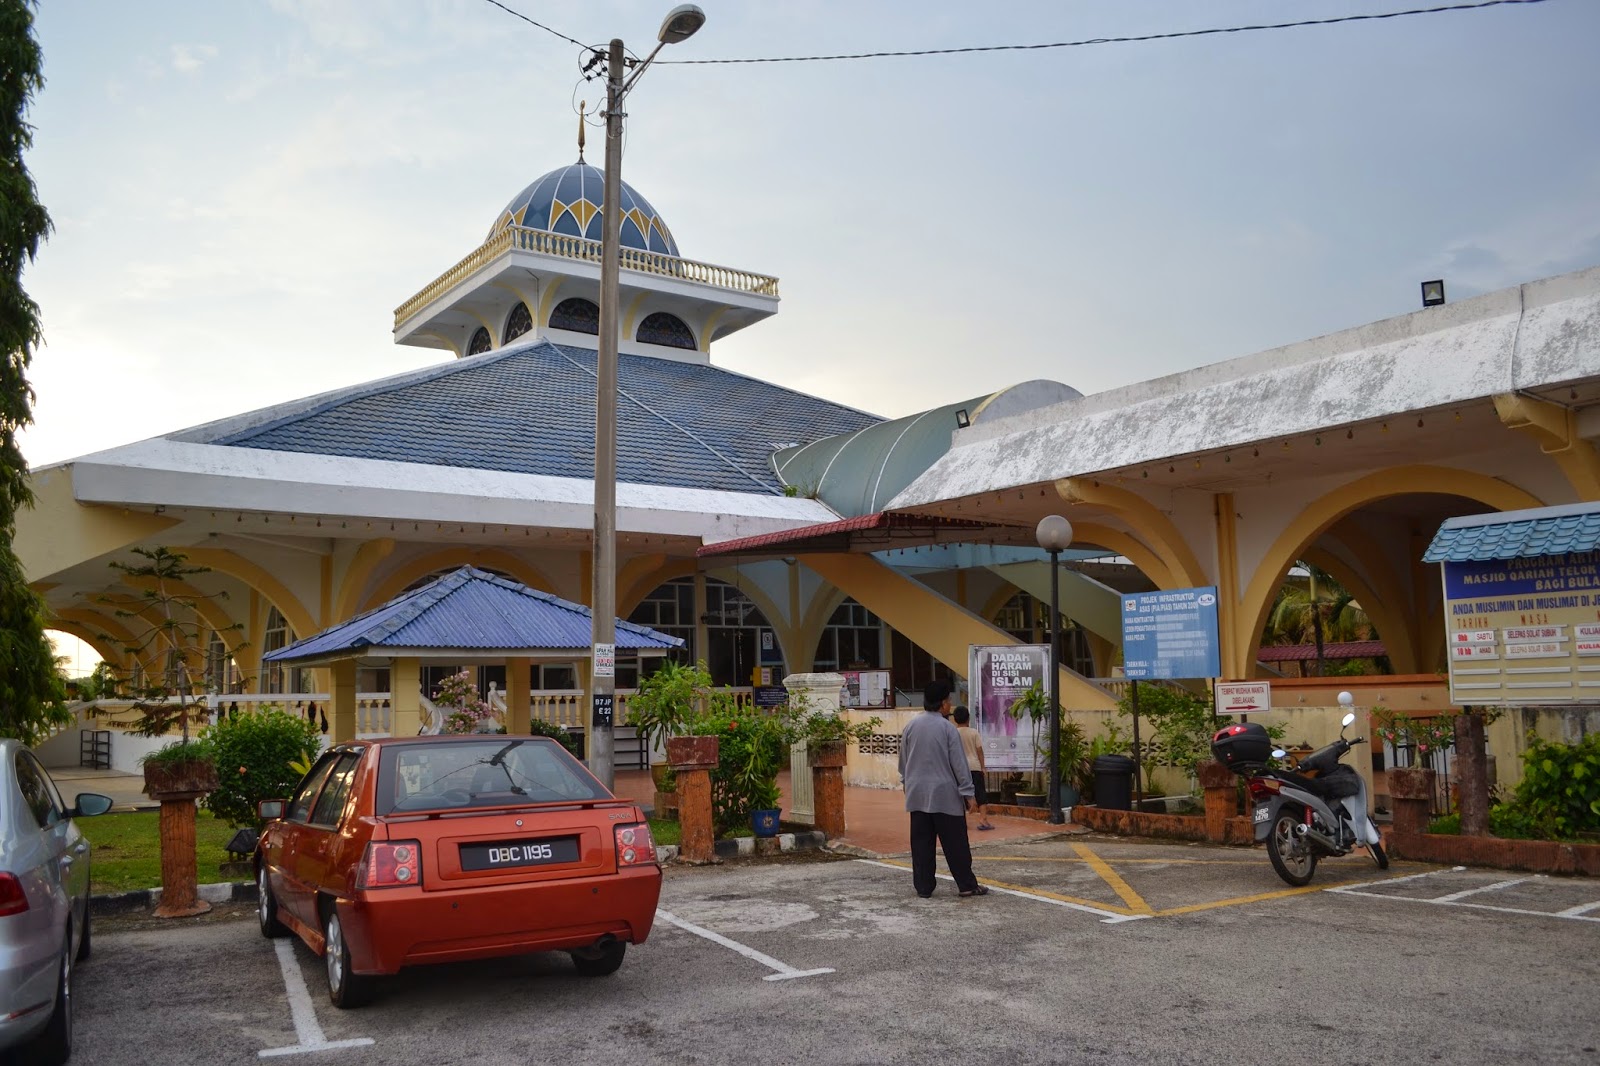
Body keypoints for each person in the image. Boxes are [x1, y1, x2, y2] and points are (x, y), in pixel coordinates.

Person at [898, 679, 988, 899]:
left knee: (921, 845)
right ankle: (966, 885)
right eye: (949, 700)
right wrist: (969, 794)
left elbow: (903, 762)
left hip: (917, 795)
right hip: (945, 796)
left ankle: (924, 887)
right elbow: (959, 765)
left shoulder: (911, 726)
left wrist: (907, 784)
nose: (950, 704)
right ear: (943, 704)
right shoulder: (948, 729)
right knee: (956, 844)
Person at [952, 706, 993, 831]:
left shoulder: (953, 732)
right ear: (968, 718)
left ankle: (961, 821)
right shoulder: (974, 732)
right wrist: (983, 767)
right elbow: (979, 751)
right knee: (980, 792)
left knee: (958, 794)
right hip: (974, 766)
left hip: (959, 768)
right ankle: (983, 819)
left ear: (955, 719)